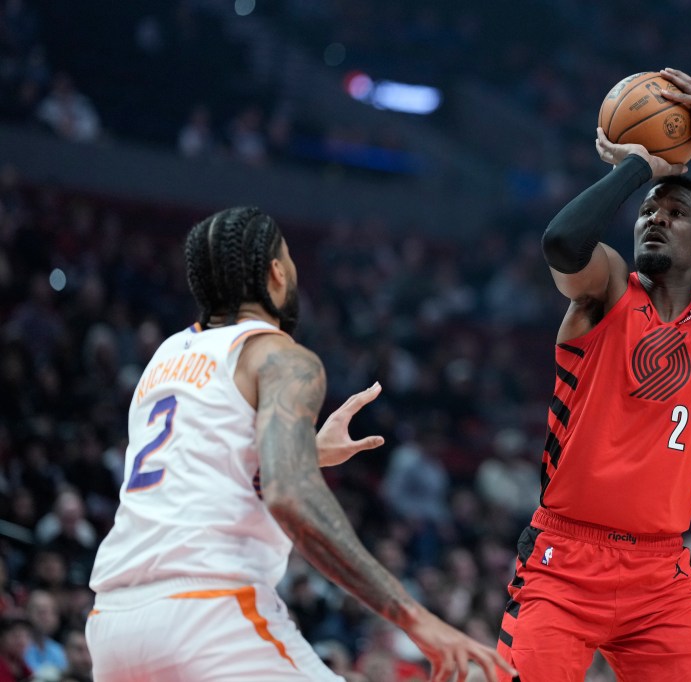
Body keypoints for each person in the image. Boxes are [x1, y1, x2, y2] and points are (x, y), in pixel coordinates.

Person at [85, 207, 514, 682]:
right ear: (274, 273)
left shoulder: (164, 359)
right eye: (287, 260)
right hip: (209, 614)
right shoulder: (281, 356)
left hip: (113, 624)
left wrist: (305, 452)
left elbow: (201, 474)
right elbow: (290, 494)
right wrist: (415, 617)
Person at [496, 69, 691, 681]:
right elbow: (561, 244)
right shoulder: (607, 291)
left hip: (660, 578)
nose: (655, 219)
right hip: (564, 562)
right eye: (647, 212)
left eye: (676, 212)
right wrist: (640, 167)